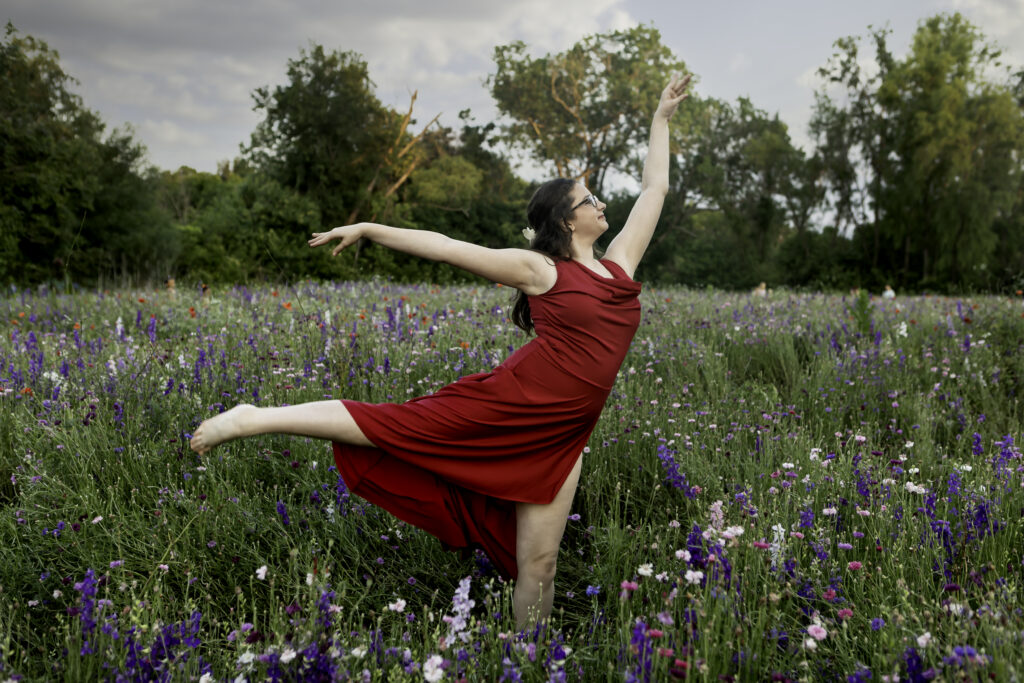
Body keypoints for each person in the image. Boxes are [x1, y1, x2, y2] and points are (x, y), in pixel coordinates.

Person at [190, 74, 691, 628]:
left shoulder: (619, 263)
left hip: (564, 434)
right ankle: (251, 418)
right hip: (514, 403)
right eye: (589, 199)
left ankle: (527, 662)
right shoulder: (541, 269)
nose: (602, 204)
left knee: (541, 562)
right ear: (566, 219)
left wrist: (660, 120)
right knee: (391, 426)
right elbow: (451, 248)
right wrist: (372, 227)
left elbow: (655, 191)